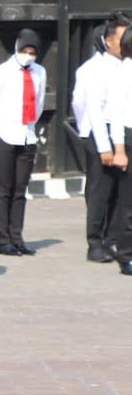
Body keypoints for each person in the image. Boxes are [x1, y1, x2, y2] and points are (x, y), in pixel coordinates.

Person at [0, 28, 46, 257]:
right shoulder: (2, 72)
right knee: (3, 189)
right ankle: (3, 240)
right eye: (25, 50)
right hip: (3, 135)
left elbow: (39, 103)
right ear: (17, 48)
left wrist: (29, 126)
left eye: (33, 52)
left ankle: (17, 237)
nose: (28, 55)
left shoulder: (40, 72)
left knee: (20, 190)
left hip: (27, 135)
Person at [74, 16, 128, 262]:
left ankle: (113, 239)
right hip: (100, 131)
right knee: (100, 191)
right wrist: (104, 146)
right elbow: (88, 107)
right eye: (122, 38)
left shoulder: (125, 66)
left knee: (120, 191)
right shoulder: (94, 68)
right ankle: (95, 242)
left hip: (121, 131)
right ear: (108, 41)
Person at [105, 27, 132, 274]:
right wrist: (120, 150)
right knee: (128, 203)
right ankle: (126, 255)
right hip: (128, 139)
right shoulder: (123, 72)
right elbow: (115, 115)